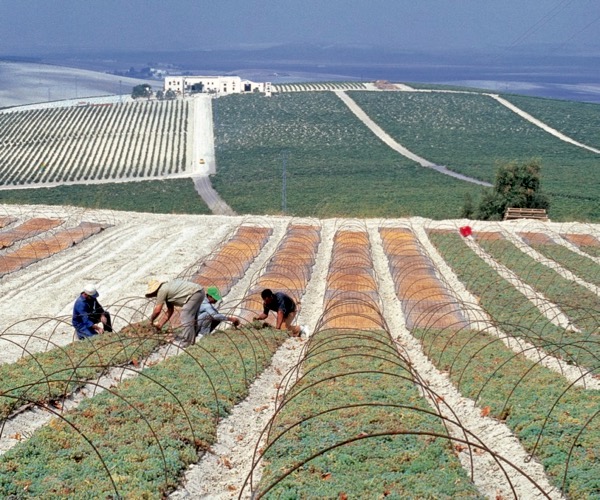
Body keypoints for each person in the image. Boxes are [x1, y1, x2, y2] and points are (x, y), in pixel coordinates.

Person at [145, 278, 205, 347]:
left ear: (154, 291)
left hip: (195, 293)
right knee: (191, 316)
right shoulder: (167, 289)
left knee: (185, 315)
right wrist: (160, 324)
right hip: (199, 291)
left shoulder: (162, 290)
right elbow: (170, 310)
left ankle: (187, 342)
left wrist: (151, 320)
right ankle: (193, 337)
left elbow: (157, 310)